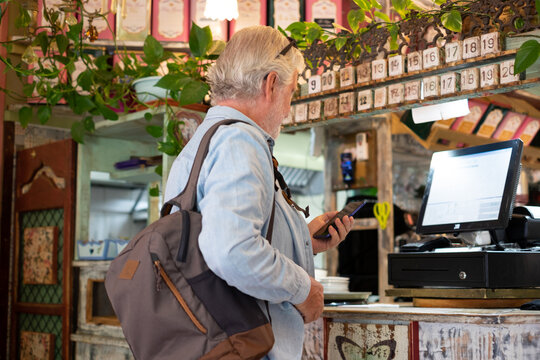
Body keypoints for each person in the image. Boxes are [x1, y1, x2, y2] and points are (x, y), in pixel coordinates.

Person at [164, 26, 354, 359]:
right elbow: (231, 250)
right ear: (270, 84)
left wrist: (303, 242)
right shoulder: (240, 141)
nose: (289, 107)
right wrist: (302, 289)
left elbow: (217, 242)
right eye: (292, 91)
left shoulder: (205, 140)